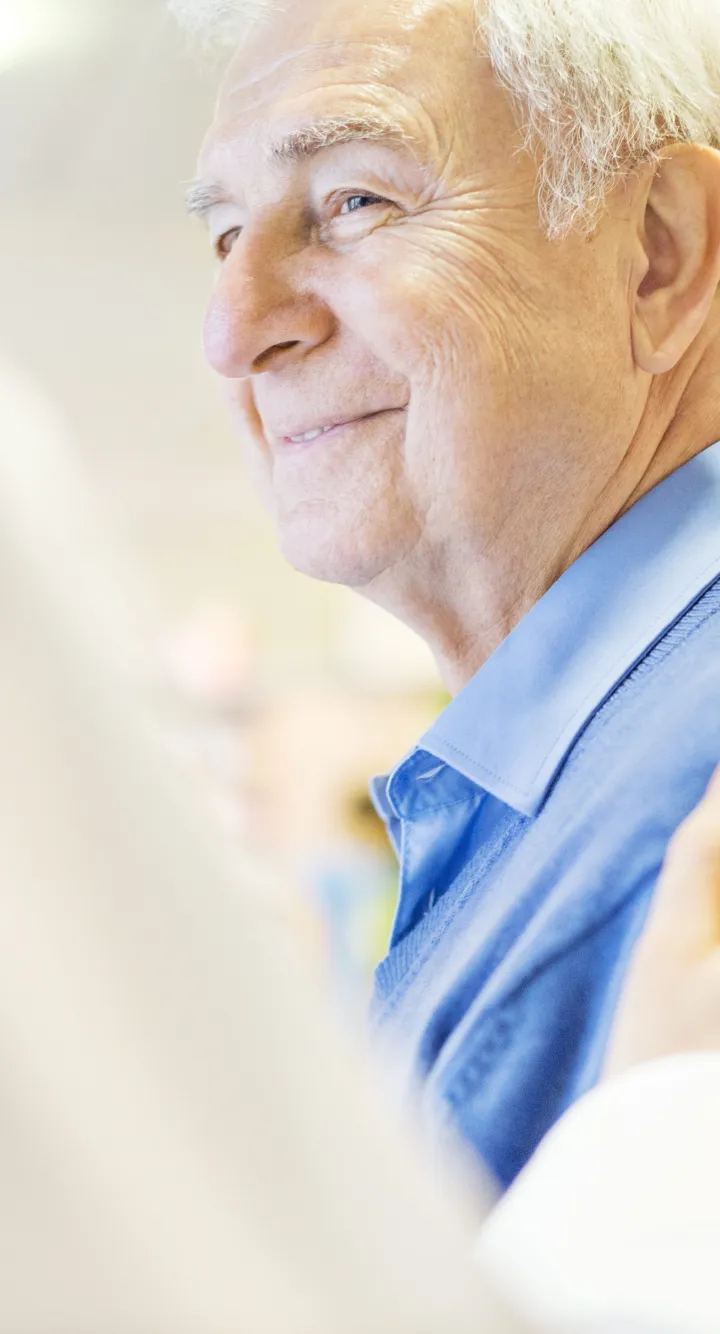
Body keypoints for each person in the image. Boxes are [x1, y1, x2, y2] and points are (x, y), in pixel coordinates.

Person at [170, 0, 720, 1186]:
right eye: (223, 235)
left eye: (353, 200)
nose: (234, 328)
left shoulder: (677, 798)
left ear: (661, 256)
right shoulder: (546, 786)